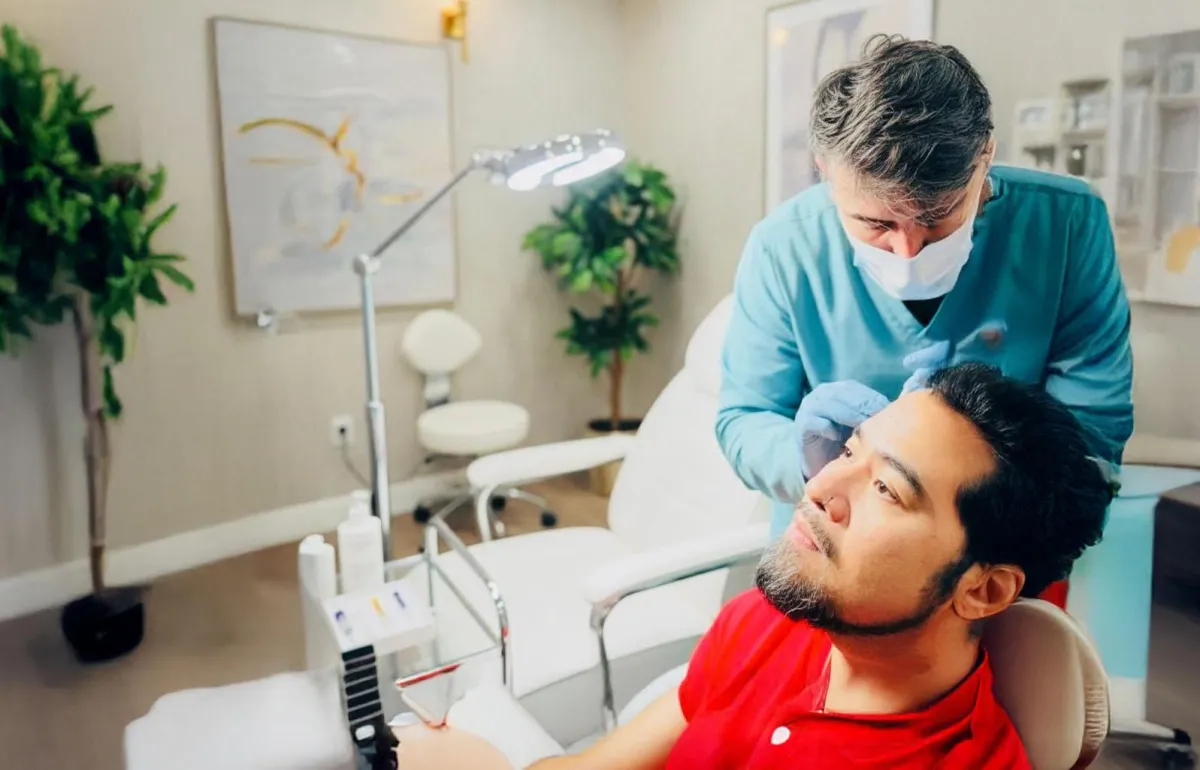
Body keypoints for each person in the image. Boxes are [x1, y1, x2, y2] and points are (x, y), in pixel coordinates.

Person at [392, 363, 1113, 769]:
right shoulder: (770, 622)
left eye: (887, 490)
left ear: (983, 589)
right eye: (849, 450)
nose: (821, 486)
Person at [715, 35, 1133, 606]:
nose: (907, 251)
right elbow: (744, 418)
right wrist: (812, 458)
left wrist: (973, 512)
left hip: (994, 552)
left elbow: (1093, 430)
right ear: (825, 170)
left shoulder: (1065, 226)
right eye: (876, 224)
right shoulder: (784, 248)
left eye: (936, 220)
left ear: (985, 156)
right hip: (836, 547)